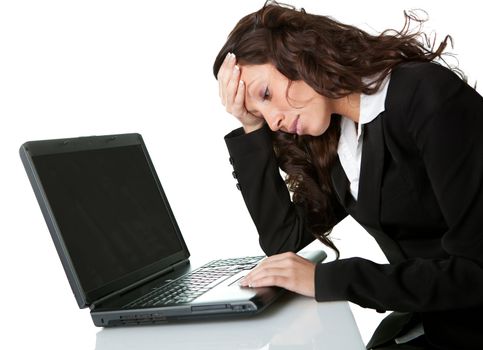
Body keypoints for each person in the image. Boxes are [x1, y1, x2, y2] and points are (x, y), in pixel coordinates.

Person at [213, 1, 483, 349]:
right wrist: (250, 127)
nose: (274, 120)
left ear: (299, 53)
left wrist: (332, 279)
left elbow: (477, 270)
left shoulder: (425, 96)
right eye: (261, 115)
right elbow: (286, 241)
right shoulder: (339, 141)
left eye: (266, 94)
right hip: (440, 323)